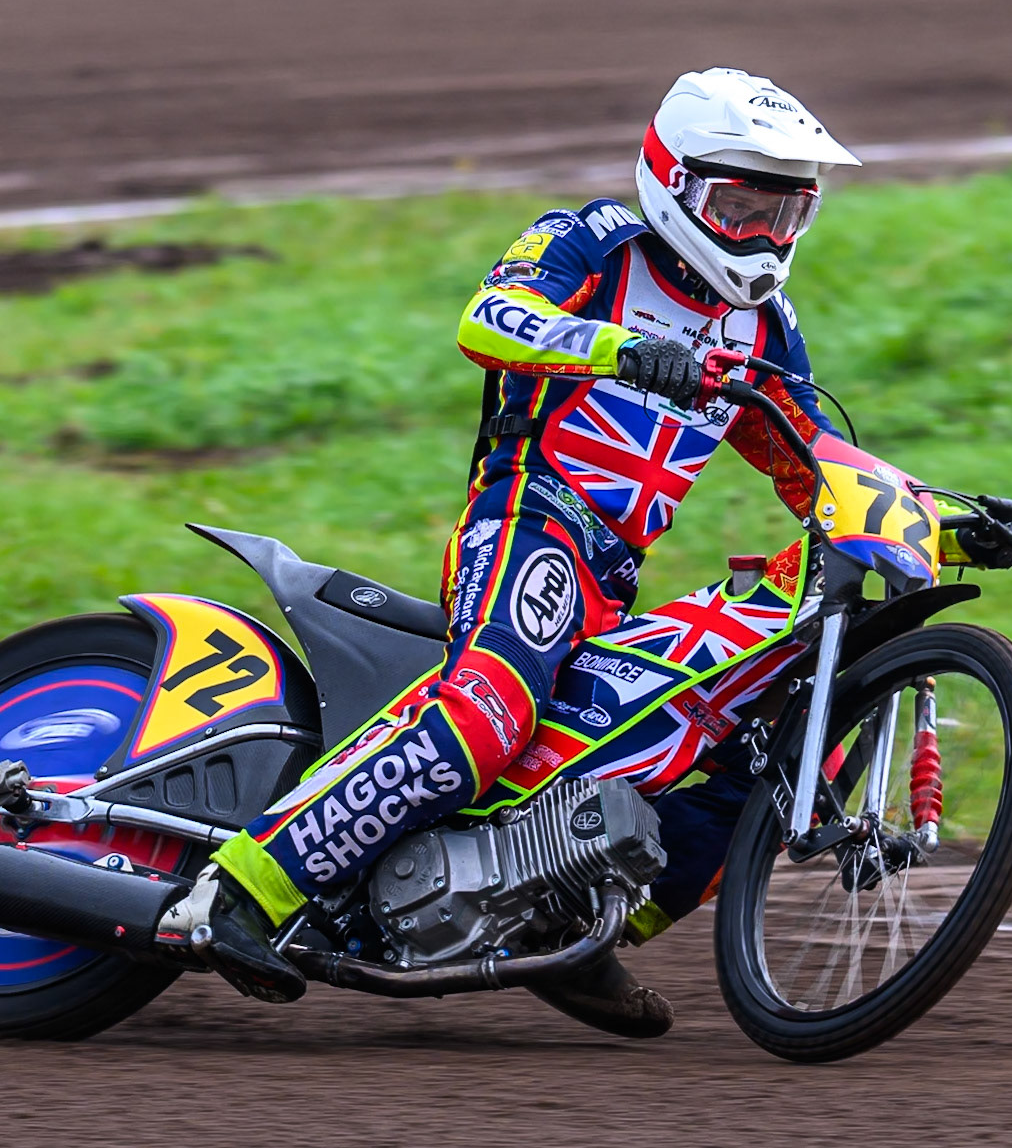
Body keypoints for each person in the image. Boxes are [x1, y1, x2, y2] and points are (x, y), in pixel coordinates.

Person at [163, 68, 863, 1034]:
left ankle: (562, 926)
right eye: (737, 205)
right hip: (525, 521)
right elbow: (486, 321)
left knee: (751, 740)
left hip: (613, 572)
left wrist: (933, 514)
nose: (761, 234)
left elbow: (813, 462)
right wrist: (620, 348)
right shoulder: (589, 239)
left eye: (786, 211)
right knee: (492, 705)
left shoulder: (766, 329)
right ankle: (245, 887)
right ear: (673, 181)